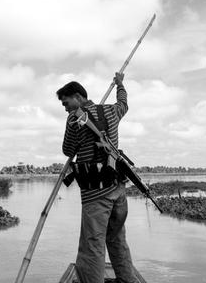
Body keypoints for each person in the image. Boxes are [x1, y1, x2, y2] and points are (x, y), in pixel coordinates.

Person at [56, 72, 137, 283]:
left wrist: (75, 123)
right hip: (118, 189)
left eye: (66, 103)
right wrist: (120, 84)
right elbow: (123, 104)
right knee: (117, 239)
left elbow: (68, 150)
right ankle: (127, 279)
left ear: (77, 96)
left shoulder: (74, 119)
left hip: (95, 194)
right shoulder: (111, 111)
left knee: (92, 245)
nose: (65, 108)